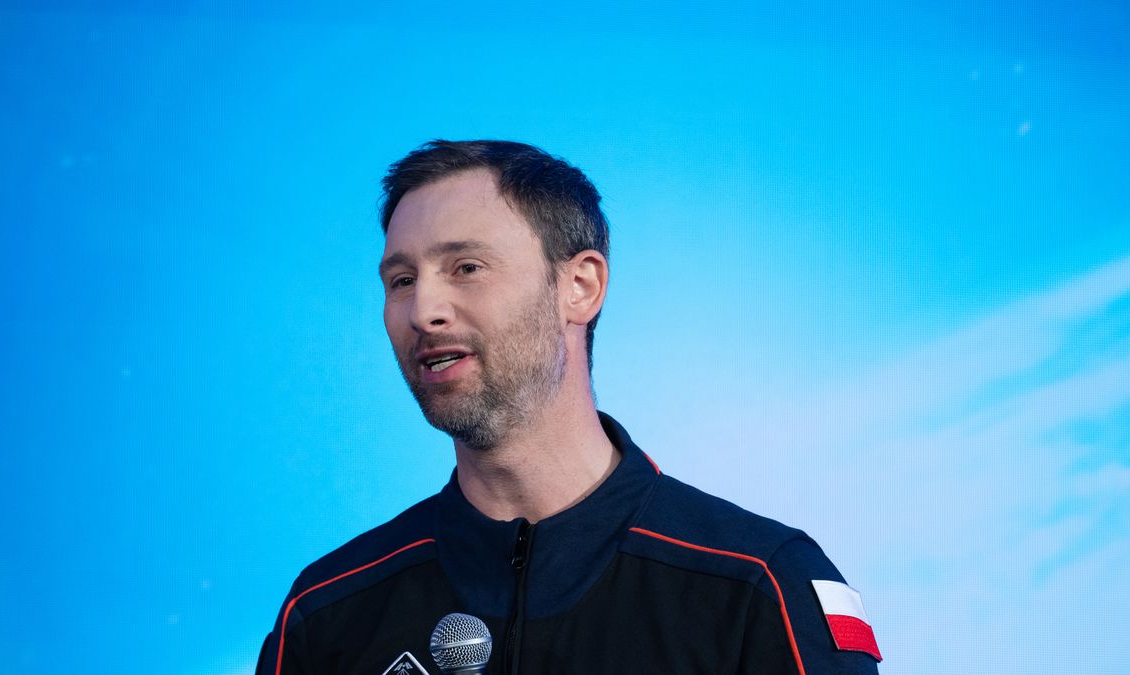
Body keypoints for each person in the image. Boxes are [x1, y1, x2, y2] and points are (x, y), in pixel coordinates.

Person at [255, 140, 882, 675]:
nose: (424, 311)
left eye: (466, 267)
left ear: (579, 287)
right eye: (402, 281)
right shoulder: (328, 610)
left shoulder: (756, 584)